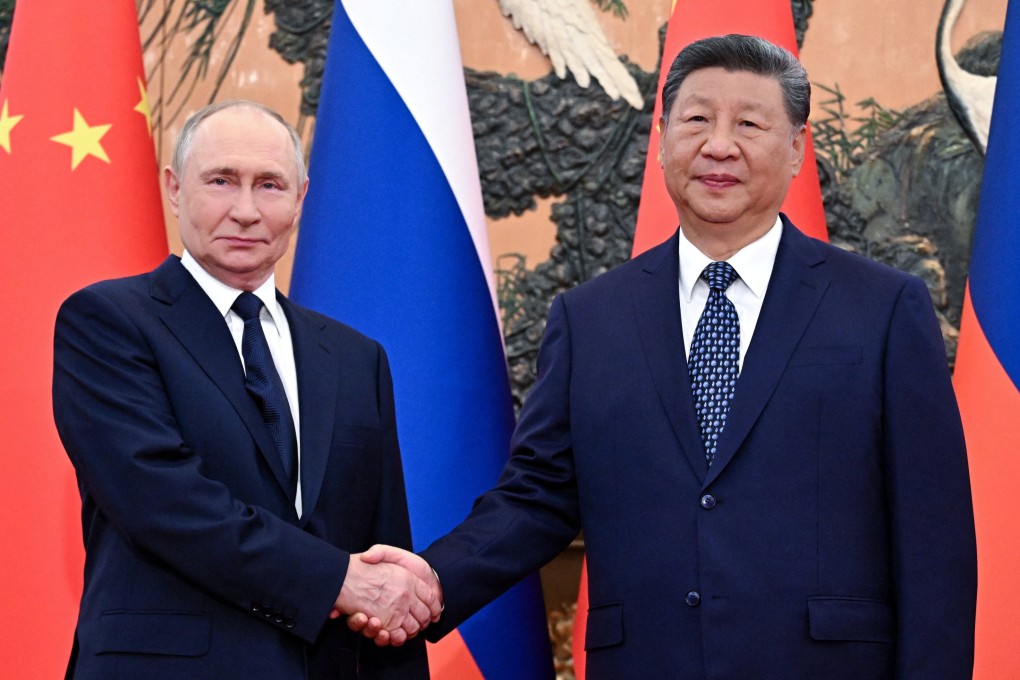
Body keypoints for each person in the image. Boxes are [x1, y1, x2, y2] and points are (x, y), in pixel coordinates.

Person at [353, 34, 978, 678]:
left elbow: (934, 542)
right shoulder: (589, 318)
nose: (719, 145)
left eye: (750, 124)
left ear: (796, 150)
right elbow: (537, 497)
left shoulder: (882, 309)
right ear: (661, 139)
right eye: (698, 119)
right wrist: (431, 578)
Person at [52, 100, 439, 680]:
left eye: (270, 185)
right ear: (175, 189)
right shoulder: (107, 321)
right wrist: (340, 580)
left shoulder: (358, 358)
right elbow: (162, 502)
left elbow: (385, 553)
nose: (246, 210)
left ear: (301, 198)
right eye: (221, 181)